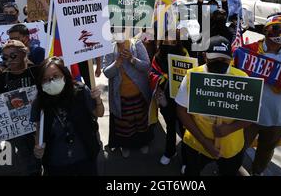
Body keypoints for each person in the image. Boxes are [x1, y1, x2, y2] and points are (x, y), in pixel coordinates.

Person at [175, 36, 250, 176]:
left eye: (224, 59)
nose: (220, 62)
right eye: (214, 58)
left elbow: (251, 115)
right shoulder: (192, 76)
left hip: (231, 147)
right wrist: (204, 142)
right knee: (192, 172)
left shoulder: (243, 78)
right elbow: (181, 110)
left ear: (231, 58)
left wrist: (230, 128)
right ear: (205, 56)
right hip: (197, 143)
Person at [32, 57, 104, 176]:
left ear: (64, 74)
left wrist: (98, 100)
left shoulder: (80, 91)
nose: (51, 81)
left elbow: (99, 113)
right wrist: (38, 147)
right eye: (45, 79)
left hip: (85, 155)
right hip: (56, 162)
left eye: (55, 76)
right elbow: (39, 126)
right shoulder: (39, 102)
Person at [243, 13, 281, 175]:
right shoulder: (249, 51)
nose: (280, 33)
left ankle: (257, 171)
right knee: (238, 147)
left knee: (266, 151)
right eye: (276, 28)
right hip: (248, 115)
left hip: (276, 117)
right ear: (266, 30)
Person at [0, 40, 40, 175]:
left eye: (13, 55)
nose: (9, 60)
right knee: (28, 159)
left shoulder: (36, 72)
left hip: (40, 123)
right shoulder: (2, 78)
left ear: (24, 53)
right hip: (19, 129)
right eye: (5, 57)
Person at [103, 33, 152, 158]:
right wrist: (117, 63)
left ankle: (143, 143)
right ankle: (125, 145)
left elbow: (147, 65)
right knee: (125, 125)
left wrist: (132, 59)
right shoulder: (109, 49)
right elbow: (107, 73)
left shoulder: (137, 44)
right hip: (121, 96)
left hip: (139, 94)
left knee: (142, 121)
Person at [149, 31, 189, 169]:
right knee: (170, 126)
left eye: (173, 42)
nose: (169, 45)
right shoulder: (158, 56)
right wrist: (162, 79)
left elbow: (190, 73)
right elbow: (152, 73)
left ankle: (186, 159)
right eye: (166, 42)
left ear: (178, 42)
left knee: (184, 130)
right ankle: (170, 151)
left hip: (182, 99)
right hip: (166, 98)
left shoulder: (184, 54)